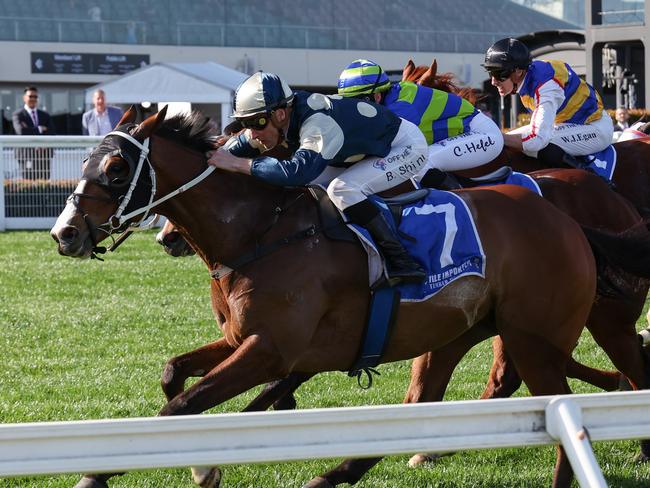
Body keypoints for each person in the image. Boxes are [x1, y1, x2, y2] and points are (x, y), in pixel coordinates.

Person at [207, 71, 429, 285]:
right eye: (246, 124)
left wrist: (239, 164)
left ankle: (401, 259)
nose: (252, 132)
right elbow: (232, 149)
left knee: (342, 189)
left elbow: (297, 173)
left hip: (404, 147)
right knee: (312, 187)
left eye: (257, 123)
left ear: (280, 114)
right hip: (361, 150)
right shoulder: (275, 121)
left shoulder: (318, 124)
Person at [337, 59, 504, 188]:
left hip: (481, 134)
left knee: (418, 163)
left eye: (357, 102)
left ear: (377, 96)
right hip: (465, 134)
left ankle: (467, 201)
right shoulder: (389, 99)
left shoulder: (401, 108)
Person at [483, 37, 613, 167]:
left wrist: (500, 137)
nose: (493, 81)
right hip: (568, 124)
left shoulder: (546, 87)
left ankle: (588, 177)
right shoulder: (528, 77)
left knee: (541, 147)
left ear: (518, 71)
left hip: (594, 127)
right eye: (490, 73)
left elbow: (537, 139)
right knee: (504, 141)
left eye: (499, 73)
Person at [12, 86, 55, 180]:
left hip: (43, 155)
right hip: (26, 155)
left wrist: (43, 144)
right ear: (24, 98)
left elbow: (51, 132)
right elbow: (21, 131)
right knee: (28, 186)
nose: (33, 99)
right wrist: (39, 129)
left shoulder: (45, 115)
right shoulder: (18, 114)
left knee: (44, 184)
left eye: (35, 97)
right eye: (30, 96)